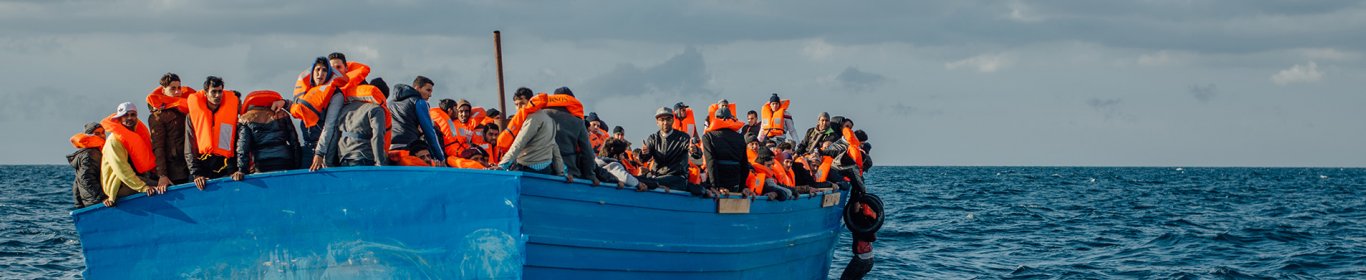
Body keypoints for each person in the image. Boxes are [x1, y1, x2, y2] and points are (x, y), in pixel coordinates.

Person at [100, 102, 160, 207]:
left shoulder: (137, 135)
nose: (129, 118)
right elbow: (122, 170)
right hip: (119, 185)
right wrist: (143, 187)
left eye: (132, 115)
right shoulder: (113, 141)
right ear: (119, 118)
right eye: (125, 115)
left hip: (136, 179)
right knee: (162, 188)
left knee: (164, 183)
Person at [185, 76, 239, 190]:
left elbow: (234, 144)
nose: (217, 95)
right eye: (213, 92)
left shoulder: (231, 114)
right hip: (201, 168)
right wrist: (197, 174)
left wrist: (233, 171)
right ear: (206, 93)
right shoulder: (192, 117)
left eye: (220, 92)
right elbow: (189, 146)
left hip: (224, 168)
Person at [231, 90, 300, 181]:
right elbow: (294, 141)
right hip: (285, 161)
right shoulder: (282, 114)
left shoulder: (245, 118)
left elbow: (243, 147)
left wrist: (242, 170)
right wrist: (298, 165)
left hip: (262, 163)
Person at [290, 57, 346, 167]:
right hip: (308, 146)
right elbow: (299, 108)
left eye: (324, 70)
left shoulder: (336, 95)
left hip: (326, 150)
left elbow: (329, 126)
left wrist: (320, 153)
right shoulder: (307, 92)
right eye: (318, 69)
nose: (320, 73)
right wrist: (283, 103)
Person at [496, 101, 568, 180]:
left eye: (522, 103)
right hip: (546, 169)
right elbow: (555, 149)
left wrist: (502, 165)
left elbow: (519, 143)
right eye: (516, 105)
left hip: (528, 168)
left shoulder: (533, 118)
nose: (519, 107)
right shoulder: (550, 121)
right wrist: (562, 172)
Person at [146, 73, 194, 189]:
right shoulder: (157, 116)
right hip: (175, 172)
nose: (177, 92)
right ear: (163, 90)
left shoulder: (185, 111)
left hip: (191, 166)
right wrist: (162, 175)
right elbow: (158, 147)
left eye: (179, 88)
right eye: (173, 88)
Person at [542, 87, 598, 184]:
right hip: (569, 173)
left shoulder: (539, 115)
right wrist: (590, 175)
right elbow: (587, 153)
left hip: (541, 168)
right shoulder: (578, 122)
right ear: (572, 101)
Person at [388, 77, 446, 166]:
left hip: (390, 148)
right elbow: (429, 132)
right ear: (417, 88)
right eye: (428, 90)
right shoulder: (419, 102)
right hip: (409, 148)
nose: (430, 95)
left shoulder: (391, 103)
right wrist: (440, 157)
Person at [640, 107, 693, 193]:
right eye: (662, 120)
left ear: (673, 120)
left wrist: (694, 150)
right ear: (657, 122)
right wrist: (643, 153)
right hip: (656, 177)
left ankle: (656, 186)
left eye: (668, 119)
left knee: (648, 181)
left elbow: (696, 154)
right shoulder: (653, 138)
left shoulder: (683, 137)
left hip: (676, 178)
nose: (665, 122)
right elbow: (643, 159)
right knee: (638, 179)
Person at [700, 106, 749, 195]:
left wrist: (715, 186)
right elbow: (745, 166)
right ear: (730, 118)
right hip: (735, 184)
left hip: (718, 185)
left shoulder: (708, 137)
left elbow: (711, 163)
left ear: (715, 119)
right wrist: (741, 187)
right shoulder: (740, 137)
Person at [69, 122, 106, 208]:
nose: (102, 136)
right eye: (97, 133)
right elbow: (85, 178)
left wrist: (78, 205)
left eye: (103, 132)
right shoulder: (90, 154)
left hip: (91, 201)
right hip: (96, 202)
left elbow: (76, 182)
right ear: (89, 136)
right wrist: (102, 197)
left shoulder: (93, 152)